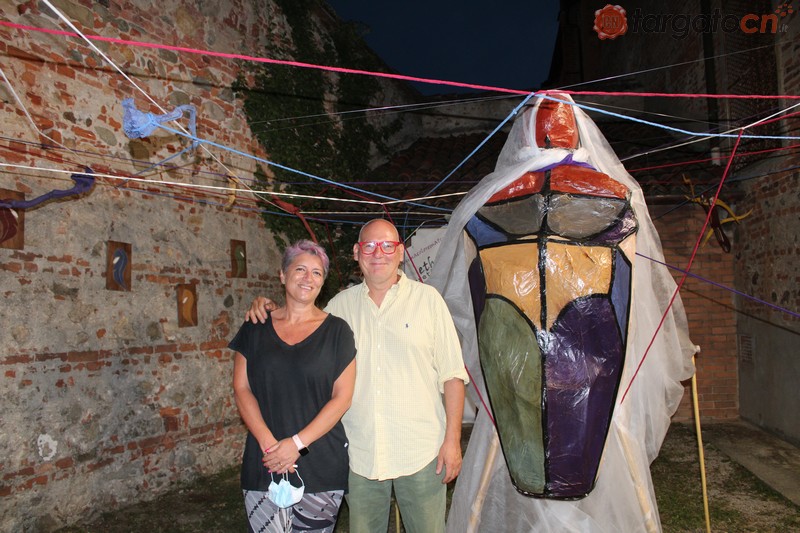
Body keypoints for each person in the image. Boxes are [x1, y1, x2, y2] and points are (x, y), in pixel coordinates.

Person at [247, 219, 469, 533]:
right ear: (356, 252)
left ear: (400, 252)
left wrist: (453, 441)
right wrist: (269, 306)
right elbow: (300, 319)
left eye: (387, 245)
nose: (378, 253)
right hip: (360, 456)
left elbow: (453, 376)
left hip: (421, 453)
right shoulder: (338, 308)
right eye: (369, 245)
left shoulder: (428, 300)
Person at [230, 239, 356, 533]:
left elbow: (342, 398)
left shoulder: (338, 332)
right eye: (300, 269)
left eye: (316, 272)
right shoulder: (255, 326)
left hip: (319, 462)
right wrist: (271, 447)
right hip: (265, 461)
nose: (307, 278)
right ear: (282, 275)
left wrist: (296, 445)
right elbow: (241, 388)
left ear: (322, 282)